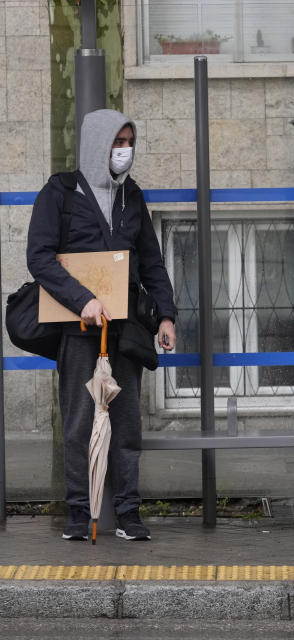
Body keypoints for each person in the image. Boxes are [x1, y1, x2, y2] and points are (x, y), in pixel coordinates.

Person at [27, 109, 177, 542]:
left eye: (129, 141)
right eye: (116, 142)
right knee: (78, 421)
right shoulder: (60, 192)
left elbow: (150, 259)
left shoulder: (132, 195)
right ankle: (79, 513)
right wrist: (82, 301)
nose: (123, 150)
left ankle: (128, 512)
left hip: (125, 327)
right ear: (97, 144)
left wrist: (165, 314)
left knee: (127, 423)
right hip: (77, 329)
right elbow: (39, 257)